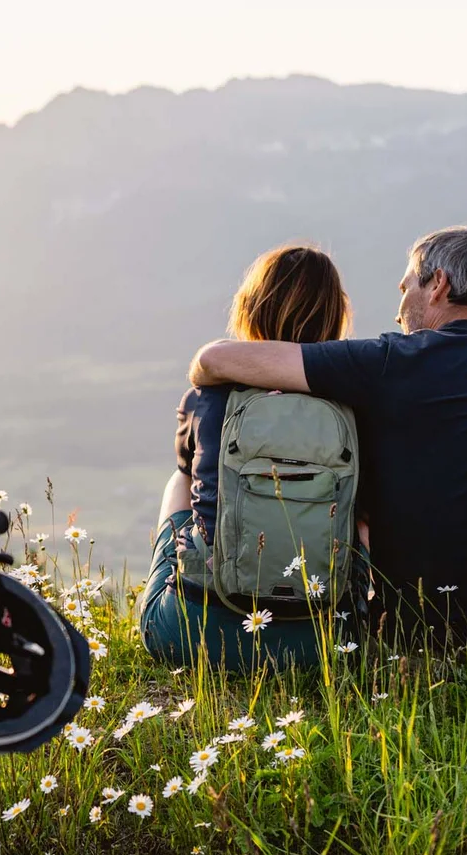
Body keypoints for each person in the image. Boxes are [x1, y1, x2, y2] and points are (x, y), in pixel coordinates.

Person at [188, 225, 467, 642]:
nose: (399, 310)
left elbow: (217, 360)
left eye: (406, 287)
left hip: (413, 649)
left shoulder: (384, 364)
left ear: (439, 285)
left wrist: (201, 367)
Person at [138, 244, 355, 670]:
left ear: (251, 309)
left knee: (182, 478)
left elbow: (193, 476)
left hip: (191, 633)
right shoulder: (352, 406)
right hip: (322, 646)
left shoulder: (206, 396)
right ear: (335, 315)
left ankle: (178, 577)